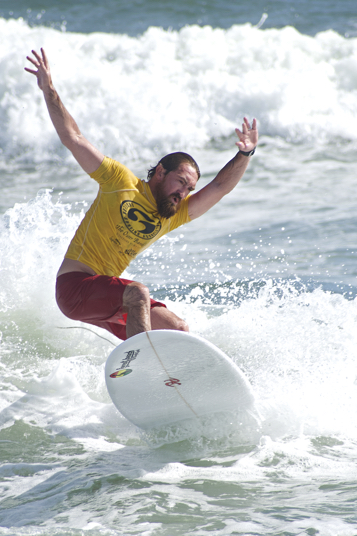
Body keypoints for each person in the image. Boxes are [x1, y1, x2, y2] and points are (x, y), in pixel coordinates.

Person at [25, 48, 258, 340]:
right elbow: (73, 138)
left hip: (107, 294)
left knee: (177, 330)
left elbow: (220, 187)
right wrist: (49, 89)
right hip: (75, 287)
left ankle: (163, 381)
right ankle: (142, 362)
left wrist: (246, 153)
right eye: (180, 182)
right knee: (137, 292)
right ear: (160, 172)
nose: (183, 194)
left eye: (189, 190)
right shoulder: (119, 181)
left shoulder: (174, 214)